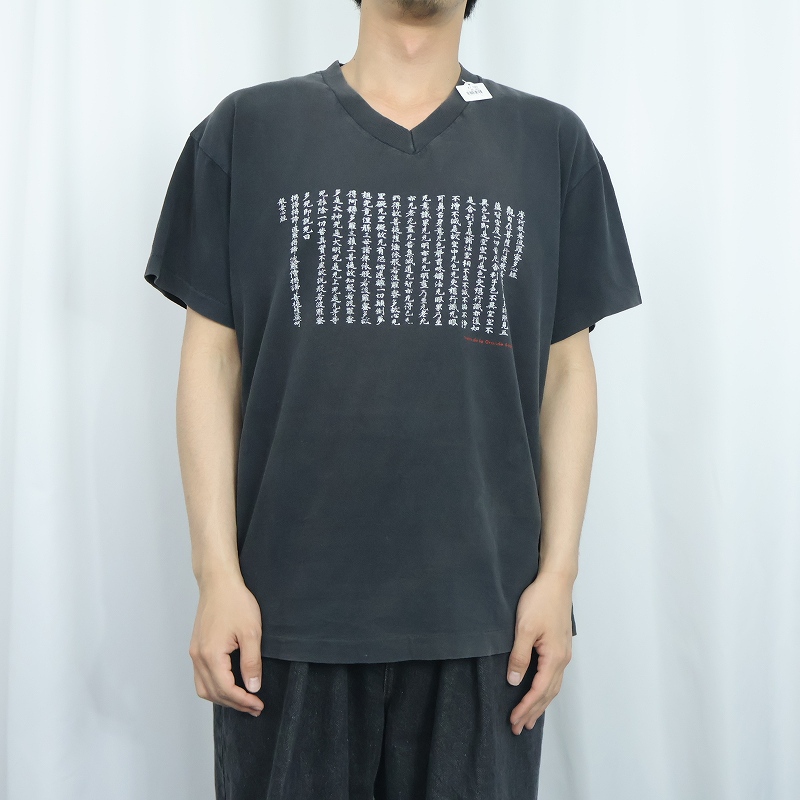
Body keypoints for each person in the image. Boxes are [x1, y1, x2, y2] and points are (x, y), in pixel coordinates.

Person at [143, 0, 642, 796]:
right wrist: (216, 578)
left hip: (487, 623)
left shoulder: (550, 144)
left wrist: (558, 580)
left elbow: (568, 374)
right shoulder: (246, 132)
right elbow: (212, 359)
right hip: (284, 620)